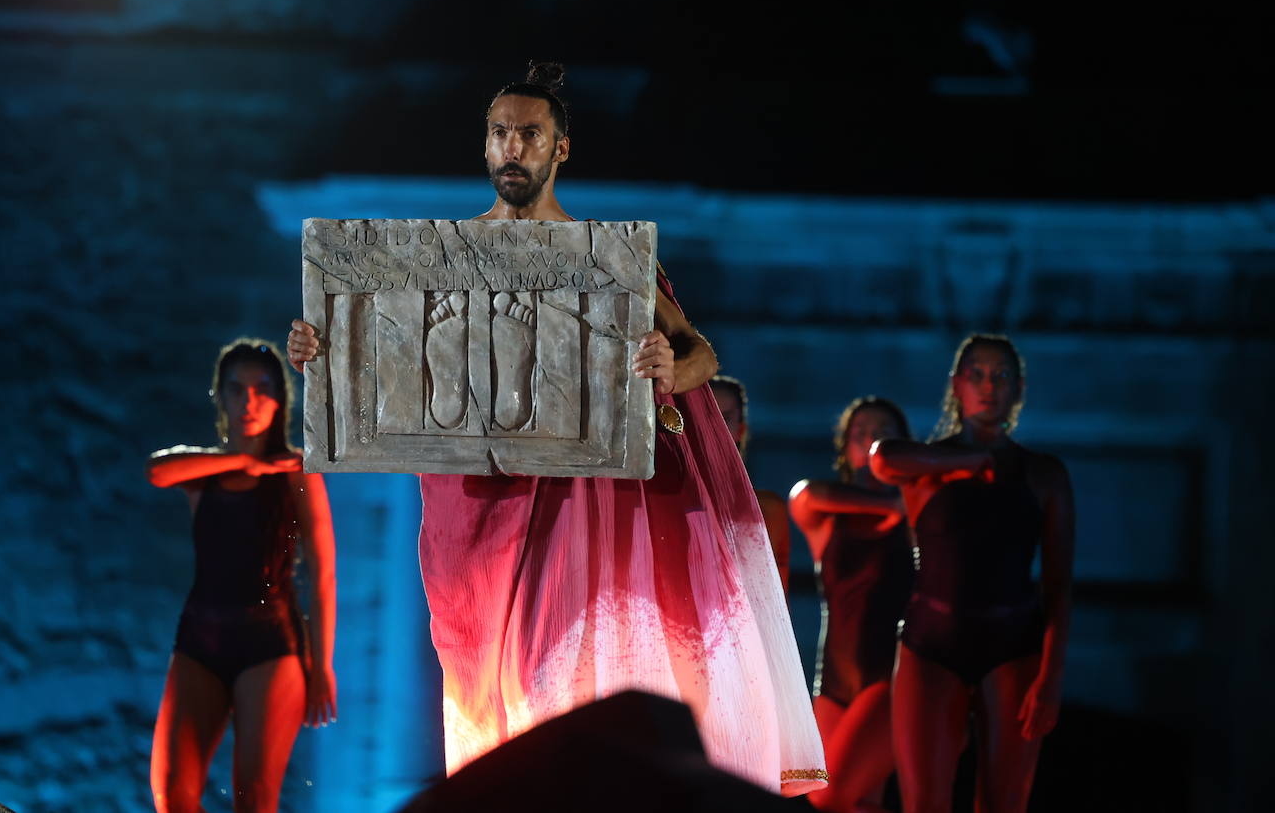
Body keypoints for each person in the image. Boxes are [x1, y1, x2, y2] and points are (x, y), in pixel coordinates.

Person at [288, 63, 824, 796]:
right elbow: (385, 370)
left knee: (556, 668)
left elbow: (701, 354)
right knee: (488, 682)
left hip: (577, 496)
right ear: (485, 146)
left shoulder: (610, 257)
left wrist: (672, 363)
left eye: (530, 134)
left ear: (559, 149)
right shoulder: (437, 258)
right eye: (500, 133)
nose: (513, 146)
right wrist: (323, 355)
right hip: (476, 499)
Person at [869, 335, 1074, 813]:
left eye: (1001, 376)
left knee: (1004, 803)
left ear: (1018, 388)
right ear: (957, 385)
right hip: (930, 642)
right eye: (977, 375)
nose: (989, 386)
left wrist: (1052, 675)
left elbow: (1059, 584)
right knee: (924, 804)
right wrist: (972, 460)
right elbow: (882, 458)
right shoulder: (926, 465)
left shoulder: (1044, 473)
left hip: (1013, 643)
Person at [146, 339, 337, 813]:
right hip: (199, 640)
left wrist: (322, 664)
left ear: (280, 398)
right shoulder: (203, 472)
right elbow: (157, 471)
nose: (249, 402)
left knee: (254, 801)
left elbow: (324, 573)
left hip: (270, 643)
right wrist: (243, 460)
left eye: (262, 390)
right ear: (221, 396)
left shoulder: (297, 471)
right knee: (172, 795)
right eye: (237, 390)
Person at [789, 397, 915, 813]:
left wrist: (902, 504)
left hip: (890, 676)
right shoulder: (829, 514)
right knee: (854, 801)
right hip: (834, 681)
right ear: (845, 448)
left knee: (831, 794)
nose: (872, 439)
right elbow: (802, 496)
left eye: (883, 432)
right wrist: (888, 506)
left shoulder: (919, 512)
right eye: (860, 433)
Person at [709, 374, 791, 591]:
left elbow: (776, 599)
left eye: (724, 419)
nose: (713, 429)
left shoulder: (766, 510)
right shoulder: (663, 500)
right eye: (704, 416)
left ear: (740, 429)